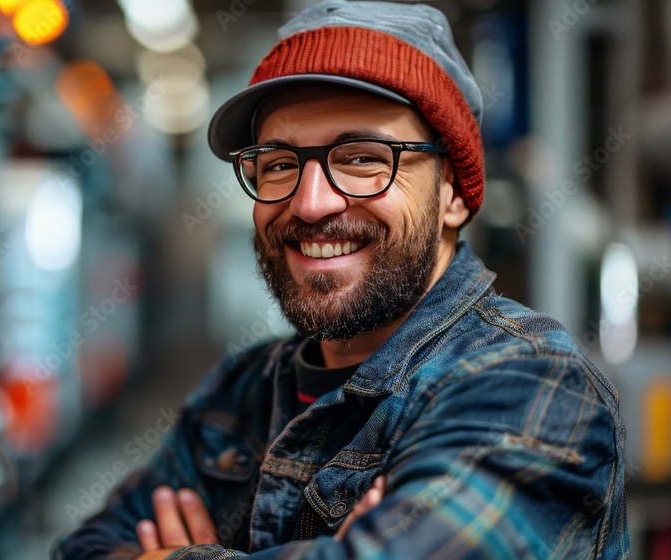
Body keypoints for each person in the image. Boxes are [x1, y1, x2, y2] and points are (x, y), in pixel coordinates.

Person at [53, 1, 630, 558]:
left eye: (361, 158)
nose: (309, 203)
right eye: (279, 164)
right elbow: (81, 549)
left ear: (453, 193)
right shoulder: (241, 392)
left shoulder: (531, 384)